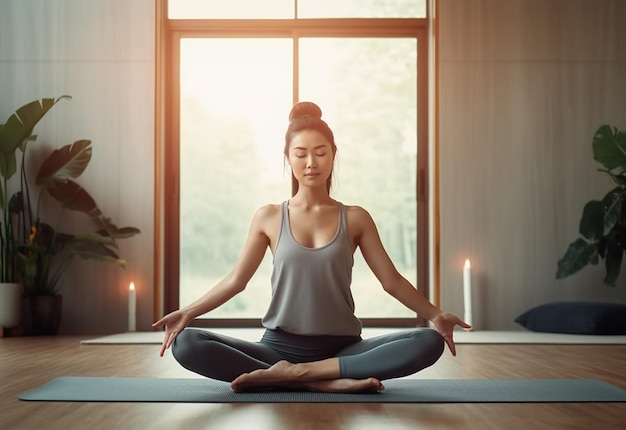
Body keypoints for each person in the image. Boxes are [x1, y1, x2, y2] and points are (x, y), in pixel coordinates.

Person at [153, 101, 470, 393]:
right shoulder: (269, 216)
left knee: (427, 341)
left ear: (333, 154)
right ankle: (323, 382)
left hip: (344, 350)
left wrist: (436, 314)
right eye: (300, 153)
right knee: (188, 343)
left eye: (320, 152)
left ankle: (295, 376)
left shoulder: (356, 218)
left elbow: (392, 281)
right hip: (277, 349)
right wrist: (187, 312)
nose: (310, 162)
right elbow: (237, 281)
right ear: (287, 157)